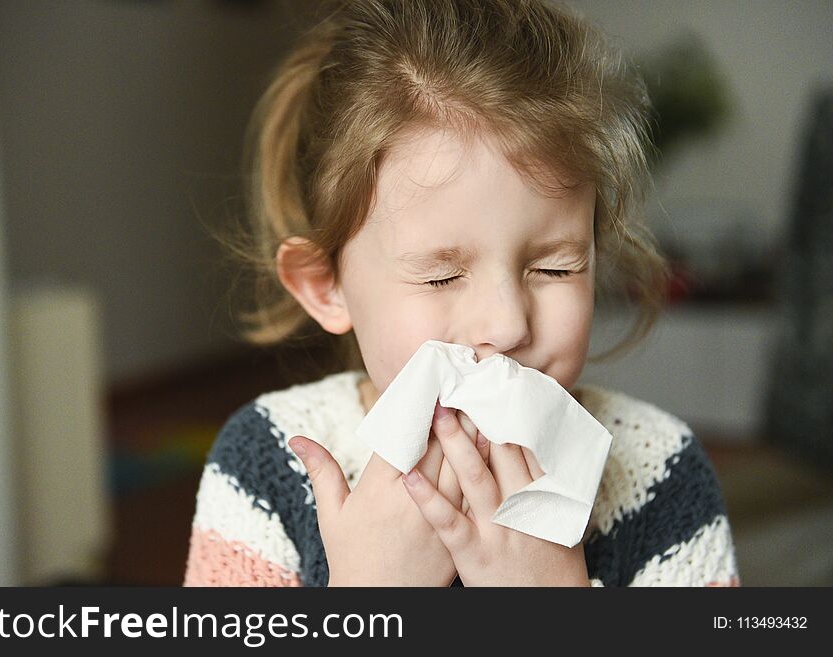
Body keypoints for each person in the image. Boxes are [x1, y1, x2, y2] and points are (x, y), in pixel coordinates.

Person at [184, 0, 740, 587]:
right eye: (441, 276)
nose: (505, 326)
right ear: (326, 287)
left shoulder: (656, 471)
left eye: (555, 268)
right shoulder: (269, 462)